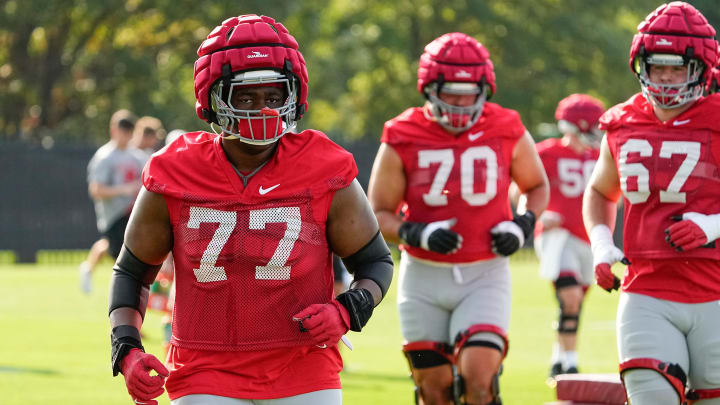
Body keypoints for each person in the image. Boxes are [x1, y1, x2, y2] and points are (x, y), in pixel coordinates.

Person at [108, 14, 394, 405]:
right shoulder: (174, 170)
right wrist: (127, 349)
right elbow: (133, 272)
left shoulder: (324, 167)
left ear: (293, 95)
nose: (262, 109)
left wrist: (348, 310)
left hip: (304, 367)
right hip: (203, 368)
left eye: (274, 96)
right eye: (245, 96)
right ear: (213, 96)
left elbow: (375, 262)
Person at [368, 32, 549, 405]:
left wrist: (523, 224)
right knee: (432, 390)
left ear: (485, 89)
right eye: (451, 92)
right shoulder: (401, 133)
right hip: (422, 279)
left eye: (469, 92)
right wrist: (416, 232)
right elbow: (379, 213)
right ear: (429, 88)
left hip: (485, 274)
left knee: (479, 378)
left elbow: (537, 185)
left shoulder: (507, 126)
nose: (461, 102)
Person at [582, 3, 720, 404]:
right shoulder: (622, 121)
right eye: (656, 66)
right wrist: (602, 245)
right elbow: (598, 192)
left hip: (714, 288)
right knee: (650, 397)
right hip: (647, 287)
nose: (664, 77)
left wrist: (712, 226)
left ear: (701, 67)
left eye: (677, 67)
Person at [533, 94, 605, 378]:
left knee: (573, 303)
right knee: (571, 297)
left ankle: (558, 358)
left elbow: (616, 197)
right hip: (557, 236)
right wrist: (538, 214)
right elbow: (520, 189)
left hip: (589, 237)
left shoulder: (600, 156)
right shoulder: (546, 153)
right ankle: (572, 364)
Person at [79, 109, 144, 294]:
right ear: (113, 130)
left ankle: (92, 271)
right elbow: (96, 189)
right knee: (121, 256)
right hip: (115, 214)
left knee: (125, 252)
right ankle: (124, 294)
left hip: (133, 212)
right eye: (123, 130)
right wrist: (124, 189)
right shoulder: (105, 156)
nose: (126, 135)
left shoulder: (137, 156)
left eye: (129, 131)